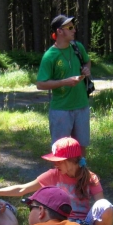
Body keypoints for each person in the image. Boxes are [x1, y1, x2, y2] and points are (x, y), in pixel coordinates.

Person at [36, 15, 92, 156]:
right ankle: (60, 171)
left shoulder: (77, 47)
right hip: (61, 110)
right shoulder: (50, 56)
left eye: (73, 27)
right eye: (70, 27)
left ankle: (81, 168)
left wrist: (86, 69)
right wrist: (65, 82)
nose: (74, 30)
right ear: (59, 31)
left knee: (81, 145)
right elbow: (40, 84)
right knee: (61, 149)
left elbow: (87, 61)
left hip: (82, 106)